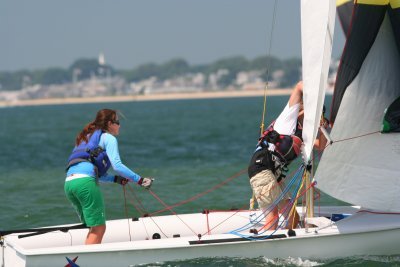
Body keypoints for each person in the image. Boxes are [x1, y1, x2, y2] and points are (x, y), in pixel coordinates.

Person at [64, 109, 153, 245]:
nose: (119, 125)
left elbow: (90, 171)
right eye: (117, 122)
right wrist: (140, 180)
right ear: (110, 123)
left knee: (94, 227)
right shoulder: (108, 138)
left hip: (69, 184)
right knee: (99, 228)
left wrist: (115, 179)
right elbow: (117, 165)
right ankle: (87, 262)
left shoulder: (85, 137)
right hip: (85, 183)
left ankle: (82, 259)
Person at [248, 81, 304, 230]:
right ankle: (259, 249)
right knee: (273, 219)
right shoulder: (288, 118)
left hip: (274, 174)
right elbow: (299, 86)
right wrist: (315, 95)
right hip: (262, 168)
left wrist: (322, 124)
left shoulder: (303, 132)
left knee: (294, 216)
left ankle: (287, 247)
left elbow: (321, 145)